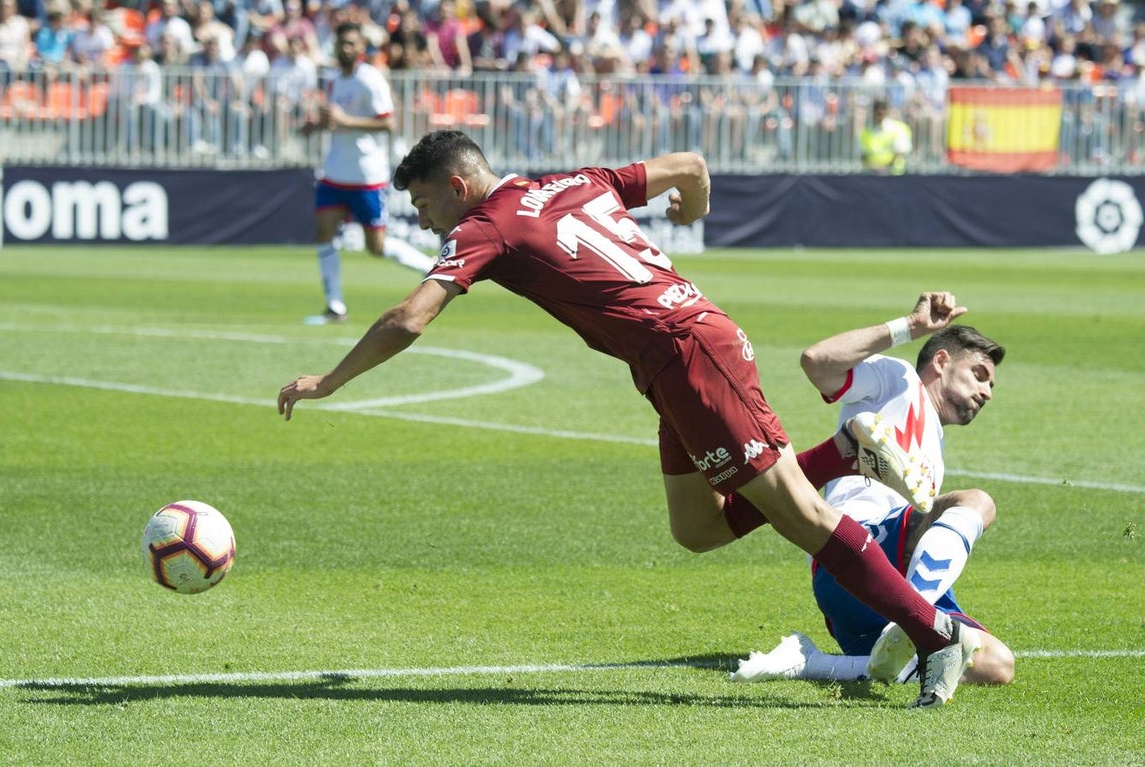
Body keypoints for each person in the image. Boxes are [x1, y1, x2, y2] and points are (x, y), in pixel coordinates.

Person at [276, 130, 983, 709]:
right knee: (697, 527)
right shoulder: (574, 181)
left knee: (803, 516)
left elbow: (410, 317)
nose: (425, 219)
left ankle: (934, 634)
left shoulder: (486, 224)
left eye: (426, 203)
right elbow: (691, 167)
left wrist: (329, 380)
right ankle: (841, 454)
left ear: (458, 188)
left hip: (687, 356)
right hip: (674, 360)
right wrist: (691, 209)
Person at [731, 295, 1015, 688]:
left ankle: (813, 662)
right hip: (858, 542)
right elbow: (817, 361)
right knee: (977, 502)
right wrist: (911, 328)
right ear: (942, 361)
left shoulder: (935, 447)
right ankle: (918, 614)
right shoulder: (897, 380)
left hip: (862, 593)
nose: (987, 392)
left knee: (998, 666)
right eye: (980, 374)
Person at [300, 22, 435, 325]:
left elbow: (387, 124)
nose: (346, 49)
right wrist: (315, 125)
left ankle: (431, 267)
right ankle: (335, 306)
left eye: (352, 44)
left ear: (361, 48)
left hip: (365, 174)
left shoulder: (370, 79)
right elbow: (335, 121)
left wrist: (346, 119)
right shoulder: (335, 80)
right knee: (323, 233)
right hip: (335, 171)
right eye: (342, 43)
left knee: (375, 246)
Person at [860, 98, 913, 175]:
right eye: (877, 109)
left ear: (887, 111)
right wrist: (874, 167)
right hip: (872, 175)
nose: (880, 112)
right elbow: (863, 156)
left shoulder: (898, 128)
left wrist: (884, 168)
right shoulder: (866, 132)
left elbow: (900, 153)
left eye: (883, 109)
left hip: (894, 176)